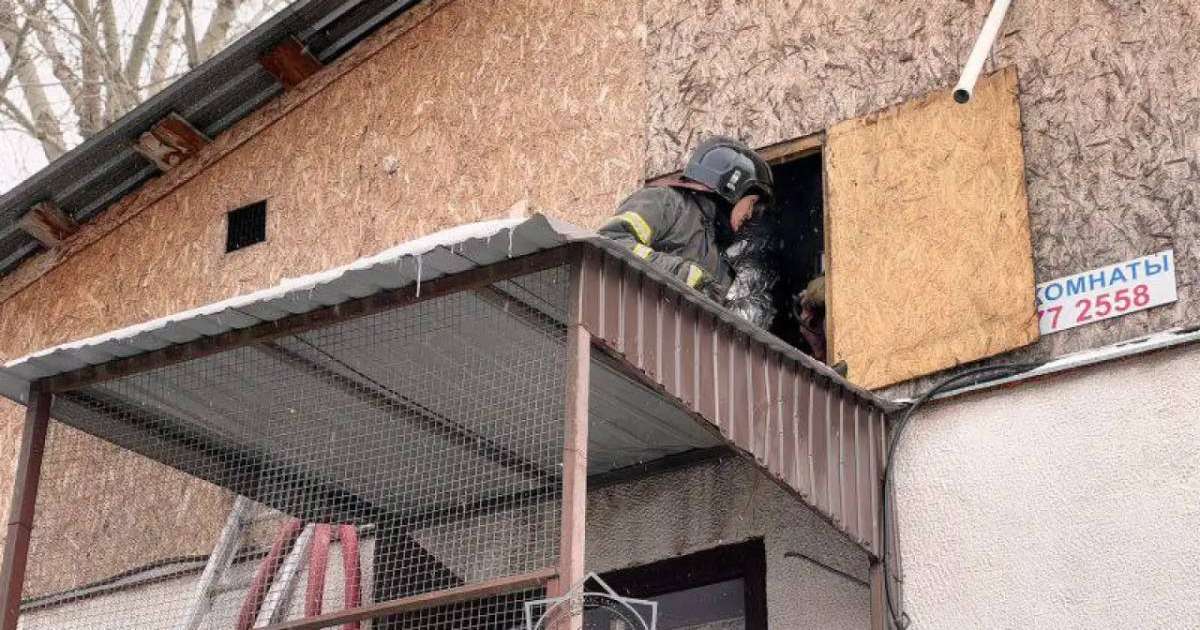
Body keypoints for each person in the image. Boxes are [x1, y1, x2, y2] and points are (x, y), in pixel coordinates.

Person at [598, 136, 774, 303]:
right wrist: (682, 273)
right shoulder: (665, 202)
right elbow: (611, 243)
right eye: (751, 203)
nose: (750, 214)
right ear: (732, 187)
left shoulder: (721, 264)